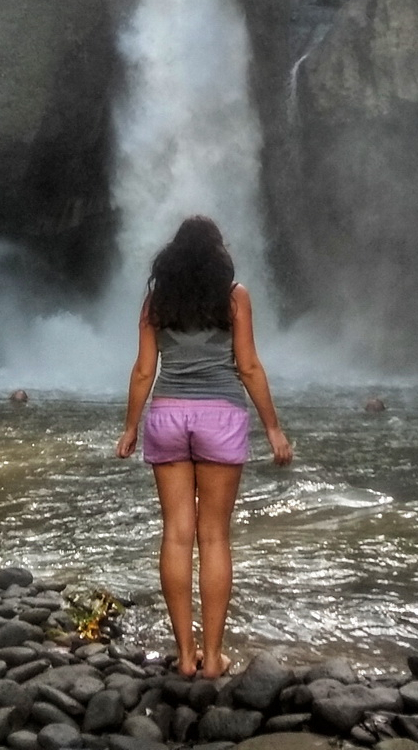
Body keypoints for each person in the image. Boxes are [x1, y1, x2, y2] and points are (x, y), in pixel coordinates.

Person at [115, 215, 293, 679]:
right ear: (218, 256)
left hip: (168, 416)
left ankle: (185, 657)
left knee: (176, 534)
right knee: (213, 537)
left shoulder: (157, 302)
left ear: (171, 259)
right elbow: (249, 366)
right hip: (221, 417)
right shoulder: (235, 298)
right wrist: (273, 428)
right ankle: (214, 659)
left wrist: (130, 428)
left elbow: (142, 371)